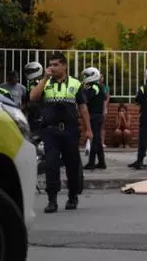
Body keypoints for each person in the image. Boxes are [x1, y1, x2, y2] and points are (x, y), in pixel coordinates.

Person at [29, 52, 93, 214]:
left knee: (72, 165)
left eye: (56, 64)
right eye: (50, 65)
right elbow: (33, 97)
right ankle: (52, 200)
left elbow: (83, 108)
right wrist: (44, 79)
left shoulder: (75, 84)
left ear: (64, 66)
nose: (52, 68)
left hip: (70, 131)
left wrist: (88, 129)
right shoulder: (45, 83)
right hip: (50, 131)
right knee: (51, 165)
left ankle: (72, 196)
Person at [81, 67, 107, 171]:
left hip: (95, 116)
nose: (85, 77)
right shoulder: (97, 86)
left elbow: (85, 98)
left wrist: (82, 89)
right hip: (96, 115)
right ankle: (101, 162)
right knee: (97, 140)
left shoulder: (94, 86)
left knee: (94, 140)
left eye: (87, 76)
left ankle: (91, 162)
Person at [23, 61, 45, 133]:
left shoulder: (38, 82)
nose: (29, 72)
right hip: (34, 114)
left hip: (40, 113)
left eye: (31, 70)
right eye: (28, 71)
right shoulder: (32, 83)